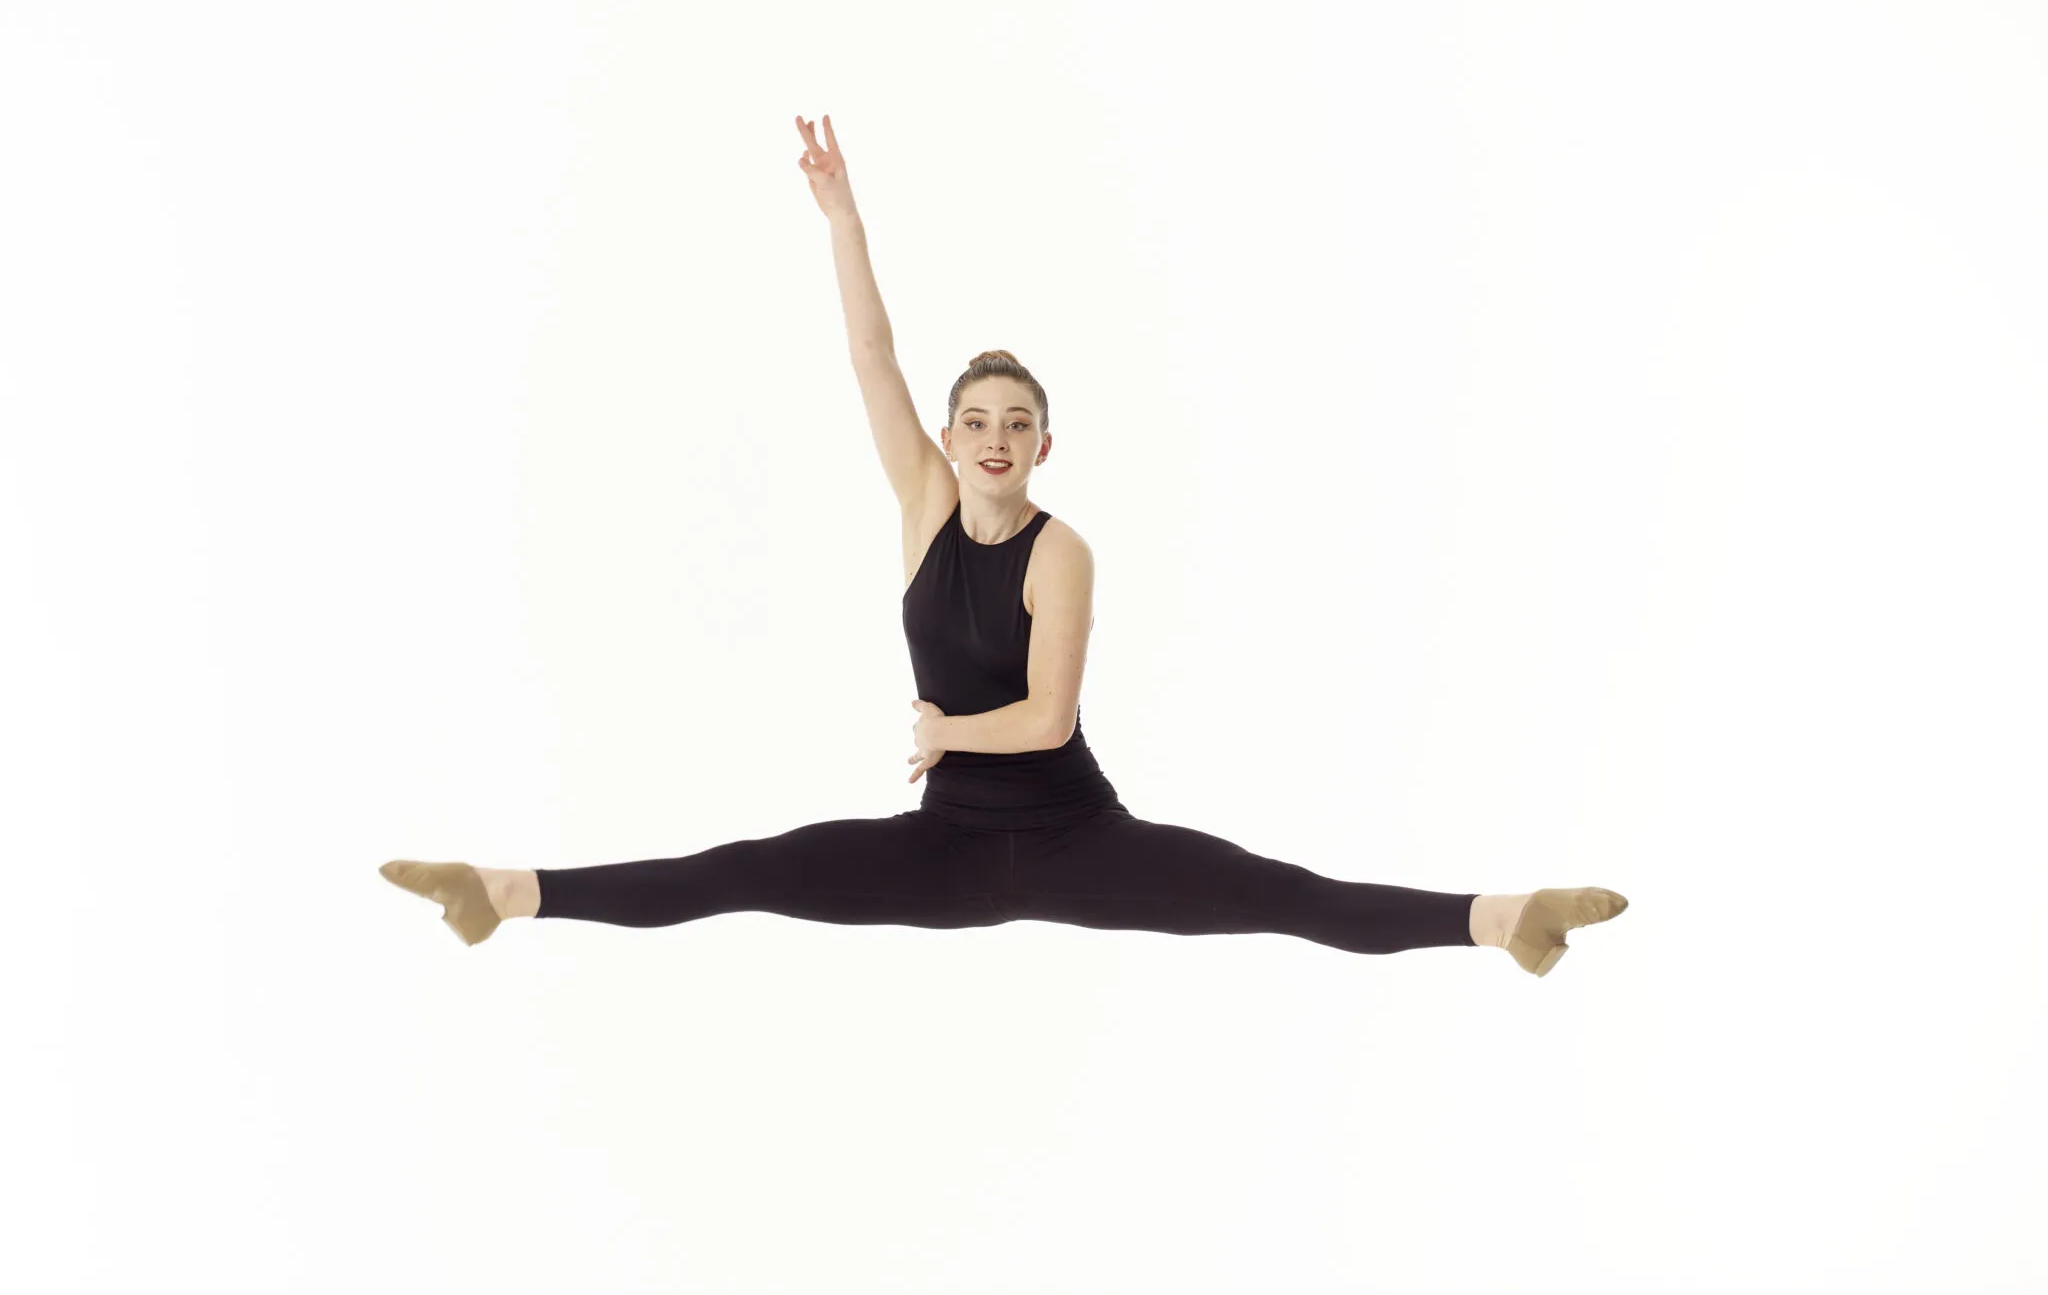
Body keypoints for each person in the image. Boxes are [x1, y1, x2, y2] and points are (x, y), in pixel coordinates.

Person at [379, 113, 1628, 977]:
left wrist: (942, 732)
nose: (992, 438)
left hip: (1084, 844)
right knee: (744, 868)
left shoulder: (1060, 549)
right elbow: (870, 354)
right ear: (948, 436)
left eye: (1015, 424)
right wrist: (842, 218)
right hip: (943, 853)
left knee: (1280, 895)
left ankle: (1506, 918)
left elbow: (1042, 720)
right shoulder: (922, 507)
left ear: (1042, 445)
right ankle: (501, 892)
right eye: (974, 420)